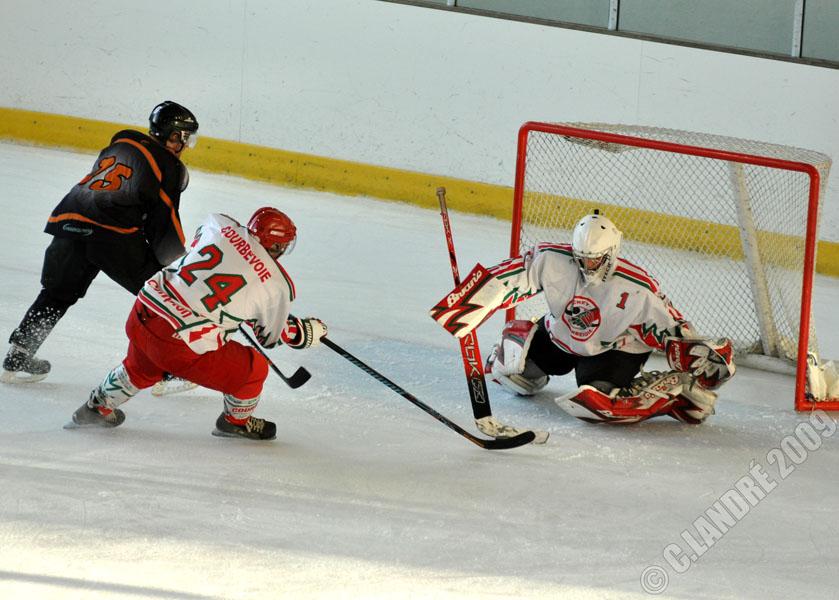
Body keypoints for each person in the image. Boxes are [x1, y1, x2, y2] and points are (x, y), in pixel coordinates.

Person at [430, 211, 735, 424]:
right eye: (582, 258)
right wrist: (468, 303)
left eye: (595, 260)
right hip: (560, 337)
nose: (587, 266)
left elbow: (670, 327)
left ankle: (678, 395)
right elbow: (510, 276)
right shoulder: (552, 259)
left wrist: (696, 351)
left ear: (611, 253)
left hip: (612, 350)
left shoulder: (637, 287)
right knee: (511, 373)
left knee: (599, 400)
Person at [65, 207, 327, 441]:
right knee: (254, 368)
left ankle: (95, 409)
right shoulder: (277, 285)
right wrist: (305, 333)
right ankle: (235, 423)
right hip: (177, 343)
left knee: (142, 366)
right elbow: (270, 337)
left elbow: (199, 247)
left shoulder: (220, 223)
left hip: (144, 312)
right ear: (277, 246)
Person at [2, 101, 199, 383]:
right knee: (163, 298)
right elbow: (163, 221)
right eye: (185, 138)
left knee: (56, 293)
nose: (186, 145)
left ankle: (19, 353)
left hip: (68, 221)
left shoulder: (122, 144)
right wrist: (178, 267)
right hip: (111, 234)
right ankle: (172, 371)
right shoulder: (169, 165)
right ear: (173, 136)